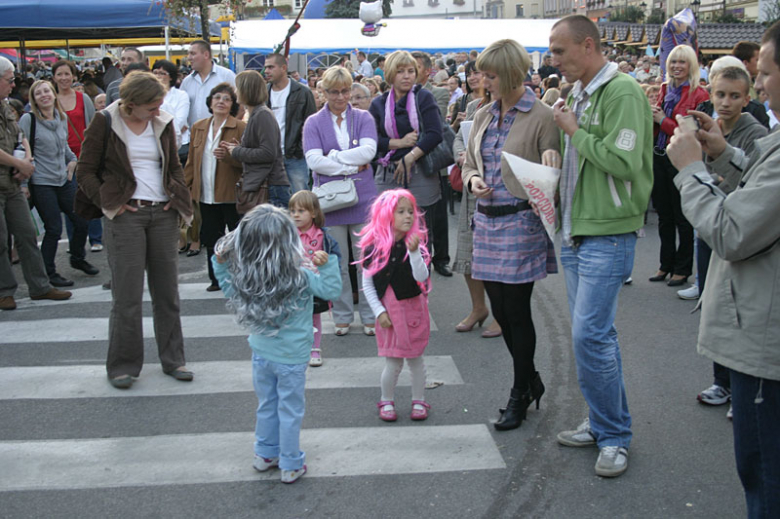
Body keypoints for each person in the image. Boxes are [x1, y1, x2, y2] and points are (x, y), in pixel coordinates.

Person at [666, 21, 780, 516]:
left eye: (768, 71)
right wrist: (723, 154)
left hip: (767, 350)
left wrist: (691, 168)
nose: (763, 83)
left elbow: (732, 232)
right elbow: (763, 192)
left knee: (763, 478)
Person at [550, 15, 653, 478]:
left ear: (587, 46)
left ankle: (613, 435)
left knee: (590, 336)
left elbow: (624, 162)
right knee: (592, 337)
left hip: (607, 231)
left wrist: (573, 132)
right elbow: (583, 153)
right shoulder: (580, 91)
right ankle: (603, 423)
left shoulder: (623, 91)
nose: (554, 60)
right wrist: (558, 148)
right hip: (578, 229)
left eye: (559, 50)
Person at [461, 39, 560, 431]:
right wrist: (472, 182)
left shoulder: (542, 115)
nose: (482, 80)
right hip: (486, 219)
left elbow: (550, 169)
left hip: (521, 222)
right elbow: (470, 162)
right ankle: (531, 380)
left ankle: (519, 393)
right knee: (500, 310)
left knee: (516, 312)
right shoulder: (484, 112)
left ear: (513, 73)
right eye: (482, 73)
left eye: (490, 74)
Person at [76, 71, 194, 389]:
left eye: (160, 104)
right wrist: (108, 202)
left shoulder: (163, 121)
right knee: (127, 296)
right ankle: (123, 366)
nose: (158, 110)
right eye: (152, 106)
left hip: (163, 213)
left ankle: (174, 359)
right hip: (126, 214)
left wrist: (179, 202)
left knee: (167, 293)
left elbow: (172, 168)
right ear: (131, 104)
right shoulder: (105, 120)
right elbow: (85, 170)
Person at [212, 204, 341, 484]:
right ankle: (291, 462)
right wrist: (328, 265)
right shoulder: (302, 275)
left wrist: (219, 263)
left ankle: (264, 454)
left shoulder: (247, 277)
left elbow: (226, 285)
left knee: (267, 405)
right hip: (293, 358)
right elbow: (331, 292)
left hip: (261, 353)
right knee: (290, 410)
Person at [304, 67, 379, 337]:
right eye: (334, 91)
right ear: (323, 92)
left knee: (365, 261)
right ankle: (343, 315)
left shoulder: (364, 117)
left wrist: (332, 158)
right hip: (330, 202)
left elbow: (369, 151)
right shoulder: (313, 122)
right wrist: (349, 166)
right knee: (337, 263)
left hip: (363, 198)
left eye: (345, 91)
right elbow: (312, 160)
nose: (340, 97)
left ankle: (371, 315)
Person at [0, 56, 72, 311]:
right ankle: (4, 291)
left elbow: (20, 137)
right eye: (9, 80)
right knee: (1, 240)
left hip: (13, 183)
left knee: (27, 235)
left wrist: (26, 159)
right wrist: (20, 165)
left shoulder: (6, 106)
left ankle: (40, 287)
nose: (13, 84)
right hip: (9, 180)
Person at [369, 51, 449, 277]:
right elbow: (372, 141)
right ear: (390, 74)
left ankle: (420, 284)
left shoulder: (424, 98)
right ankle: (391, 283)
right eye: (400, 71)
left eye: (411, 71)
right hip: (388, 173)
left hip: (420, 172)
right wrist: (398, 142)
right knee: (386, 228)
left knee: (420, 231)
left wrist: (411, 155)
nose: (406, 76)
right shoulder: (379, 103)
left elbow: (434, 134)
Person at [357, 189, 432, 422]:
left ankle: (419, 399)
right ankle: (386, 399)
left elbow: (421, 276)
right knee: (393, 361)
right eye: (400, 211)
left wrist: (413, 253)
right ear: (386, 215)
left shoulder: (415, 247)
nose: (408, 216)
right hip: (389, 315)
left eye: (410, 211)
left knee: (416, 359)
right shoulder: (374, 249)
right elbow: (367, 285)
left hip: (413, 311)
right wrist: (379, 312)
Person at [19, 80, 99, 287]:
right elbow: (23, 152)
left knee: (82, 220)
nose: (44, 95)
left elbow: (63, 146)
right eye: (38, 93)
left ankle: (77, 258)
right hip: (41, 182)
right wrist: (25, 184)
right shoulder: (29, 120)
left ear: (54, 94)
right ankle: (49, 272)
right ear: (33, 99)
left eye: (47, 91)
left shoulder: (60, 117)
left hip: (64, 179)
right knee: (54, 228)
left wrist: (73, 161)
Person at [649, 44, 709, 287]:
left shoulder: (699, 94)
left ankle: (682, 268)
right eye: (673, 62)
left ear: (691, 66)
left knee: (682, 215)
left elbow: (690, 134)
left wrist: (662, 120)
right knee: (664, 214)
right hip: (660, 155)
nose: (676, 66)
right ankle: (666, 264)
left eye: (682, 62)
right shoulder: (664, 89)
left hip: (682, 157)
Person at [451, 62, 501, 339]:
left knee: (494, 257)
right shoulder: (473, 107)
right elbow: (459, 139)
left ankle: (500, 314)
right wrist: (462, 156)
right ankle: (478, 308)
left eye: (484, 74)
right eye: (472, 73)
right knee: (468, 253)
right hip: (473, 186)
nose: (477, 78)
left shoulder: (515, 108)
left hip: (497, 187)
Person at [183, 82, 245, 291]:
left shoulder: (240, 127)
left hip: (231, 193)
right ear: (210, 102)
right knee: (211, 237)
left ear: (232, 105)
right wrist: (186, 186)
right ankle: (216, 279)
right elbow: (191, 161)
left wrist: (230, 157)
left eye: (226, 99)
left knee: (236, 237)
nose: (221, 102)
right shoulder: (199, 127)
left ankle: (239, 278)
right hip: (205, 192)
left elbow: (247, 162)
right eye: (217, 97)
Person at [410, 51, 452, 276]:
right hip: (412, 166)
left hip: (435, 162)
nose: (409, 73)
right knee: (418, 217)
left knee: (438, 215)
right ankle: (421, 258)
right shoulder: (399, 95)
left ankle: (441, 258)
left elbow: (432, 127)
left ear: (427, 71)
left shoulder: (438, 93)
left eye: (414, 68)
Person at [288, 190, 341, 366]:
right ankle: (296, 348)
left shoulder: (323, 236)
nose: (296, 215)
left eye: (301, 211)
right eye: (293, 211)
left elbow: (335, 259)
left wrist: (326, 267)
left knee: (314, 316)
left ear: (313, 213)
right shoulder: (287, 234)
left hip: (314, 285)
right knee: (293, 317)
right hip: (292, 283)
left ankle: (315, 349)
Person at [224, 70, 291, 209]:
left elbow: (268, 153)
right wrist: (240, 148)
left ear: (246, 90)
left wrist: (237, 151)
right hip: (266, 185)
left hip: (270, 186)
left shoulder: (262, 115)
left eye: (238, 88)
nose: (235, 92)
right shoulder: (257, 114)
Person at [264, 53, 317, 194]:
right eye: (265, 67)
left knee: (300, 198)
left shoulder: (303, 92)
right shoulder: (263, 93)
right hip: (270, 156)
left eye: (270, 67)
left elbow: (310, 124)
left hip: (295, 156)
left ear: (283, 68)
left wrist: (300, 149)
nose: (266, 71)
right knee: (273, 199)